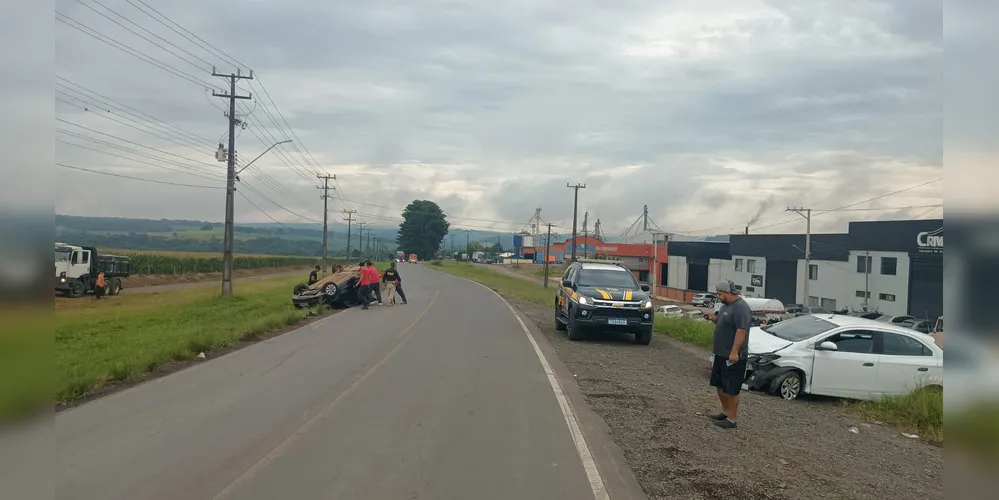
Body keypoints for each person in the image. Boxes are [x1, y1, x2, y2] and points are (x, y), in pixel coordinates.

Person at [705, 279, 752, 429]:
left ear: (728, 292)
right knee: (719, 385)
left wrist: (734, 351)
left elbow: (741, 331)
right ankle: (725, 412)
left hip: (733, 356)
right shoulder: (727, 306)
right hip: (720, 353)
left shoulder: (741, 307)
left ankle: (732, 419)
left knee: (731, 388)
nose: (718, 296)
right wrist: (713, 318)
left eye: (720, 293)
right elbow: (722, 320)